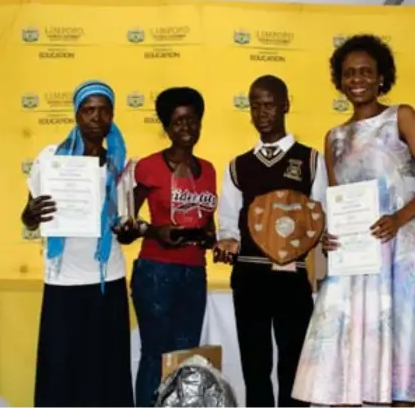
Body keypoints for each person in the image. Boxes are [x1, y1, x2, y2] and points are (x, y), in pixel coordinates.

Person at [292, 34, 415, 407]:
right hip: (354, 265)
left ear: (381, 77)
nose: (356, 79)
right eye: (349, 73)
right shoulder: (334, 138)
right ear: (339, 80)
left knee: (401, 356)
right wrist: (330, 234)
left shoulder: (402, 117)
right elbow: (337, 199)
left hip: (401, 257)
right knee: (345, 372)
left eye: (365, 72)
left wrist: (399, 217)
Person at [214, 74, 328, 407]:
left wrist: (318, 275)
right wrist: (227, 242)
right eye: (254, 105)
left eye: (269, 104)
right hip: (249, 278)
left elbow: (321, 220)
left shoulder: (310, 160)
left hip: (293, 279)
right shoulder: (238, 167)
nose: (261, 112)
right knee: (255, 367)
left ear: (285, 105)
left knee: (295, 368)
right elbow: (227, 224)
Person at [21, 80, 134, 407]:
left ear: (112, 114)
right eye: (88, 110)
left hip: (107, 280)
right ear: (77, 114)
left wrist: (128, 231)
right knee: (61, 374)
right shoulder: (50, 159)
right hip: (63, 281)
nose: (96, 118)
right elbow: (30, 217)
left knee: (106, 373)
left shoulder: (123, 164)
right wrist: (29, 214)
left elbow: (124, 226)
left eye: (103, 110)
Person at [113, 87, 218, 407]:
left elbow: (208, 223)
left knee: (186, 359)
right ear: (167, 127)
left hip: (194, 272)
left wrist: (210, 238)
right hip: (156, 273)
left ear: (201, 122)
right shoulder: (148, 167)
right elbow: (125, 228)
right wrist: (155, 230)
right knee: (155, 355)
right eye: (178, 122)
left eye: (192, 120)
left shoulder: (209, 169)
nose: (186, 128)